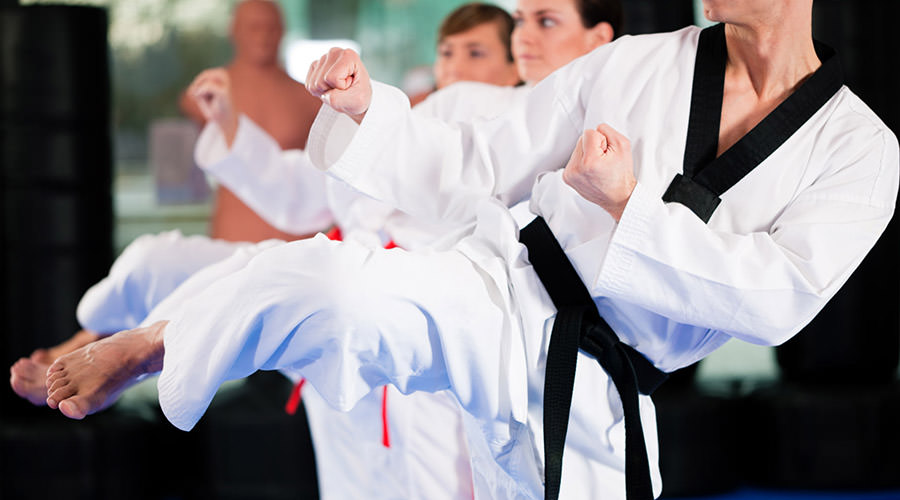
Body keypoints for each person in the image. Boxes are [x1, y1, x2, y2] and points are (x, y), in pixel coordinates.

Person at [50, 1, 897, 500]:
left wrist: (629, 204)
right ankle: (160, 340)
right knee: (339, 285)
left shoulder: (862, 149)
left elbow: (780, 298)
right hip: (502, 286)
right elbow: (484, 157)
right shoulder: (643, 62)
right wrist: (370, 114)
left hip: (610, 381)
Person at [179, 0, 324, 243]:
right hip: (233, 236)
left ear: (283, 31)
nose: (263, 36)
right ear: (233, 30)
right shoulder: (205, 94)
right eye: (254, 27)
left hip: (294, 240)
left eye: (271, 28)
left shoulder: (308, 99)